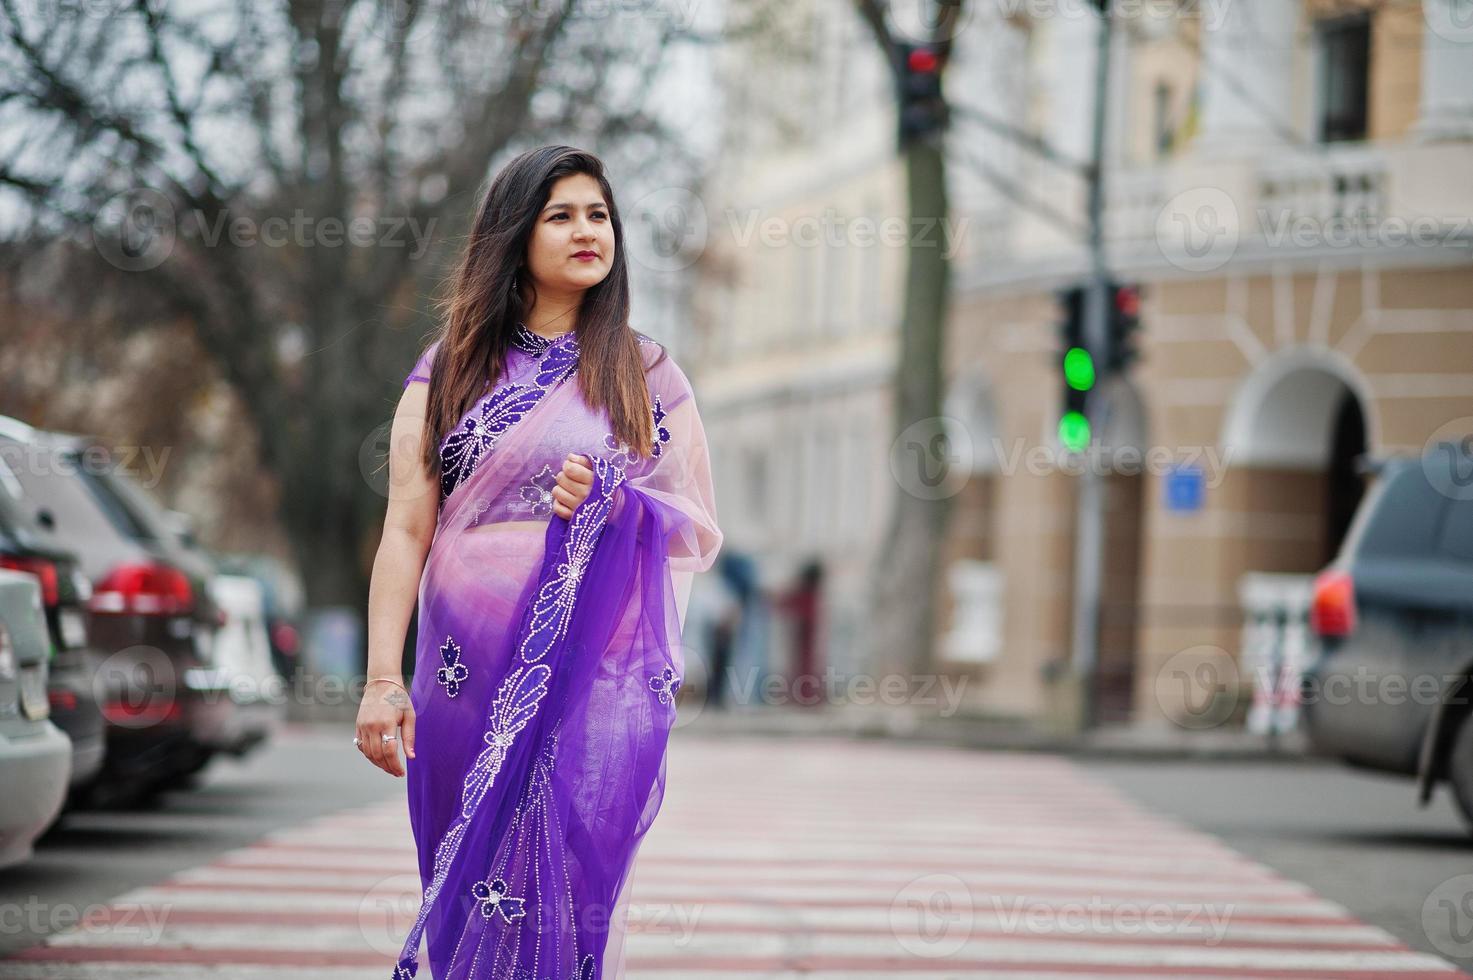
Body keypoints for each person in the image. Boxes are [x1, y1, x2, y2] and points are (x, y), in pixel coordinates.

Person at [356, 145, 722, 979]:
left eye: (598, 214)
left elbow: (693, 524)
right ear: (514, 235)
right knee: (462, 879)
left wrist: (611, 504)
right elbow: (406, 529)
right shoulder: (448, 370)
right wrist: (382, 678)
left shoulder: (644, 373)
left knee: (556, 884)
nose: (586, 230)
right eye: (560, 215)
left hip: (579, 681)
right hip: (456, 675)